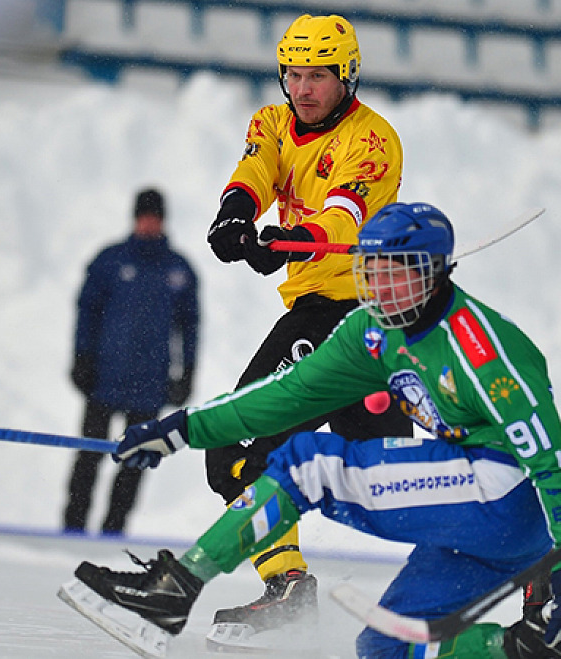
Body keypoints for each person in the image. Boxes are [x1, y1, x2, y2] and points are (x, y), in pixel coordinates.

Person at [68, 202, 561, 659]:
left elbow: (551, 464)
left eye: (392, 274)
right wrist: (182, 429)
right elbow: (286, 394)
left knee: (310, 466)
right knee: (383, 645)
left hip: (513, 497)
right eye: (370, 272)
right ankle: (518, 649)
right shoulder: (374, 330)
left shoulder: (483, 351)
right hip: (480, 523)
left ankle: (174, 591)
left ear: (432, 275)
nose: (376, 288)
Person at [203, 13, 412, 635]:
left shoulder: (374, 140)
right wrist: (233, 219)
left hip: (356, 314)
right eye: (292, 73)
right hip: (320, 313)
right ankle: (289, 587)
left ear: (347, 76)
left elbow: (344, 218)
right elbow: (257, 171)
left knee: (237, 439)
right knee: (387, 478)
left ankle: (290, 590)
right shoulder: (271, 121)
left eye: (318, 74)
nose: (302, 88)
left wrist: (291, 241)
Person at [62, 187, 199, 535]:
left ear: (163, 220)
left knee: (135, 461)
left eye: (155, 217)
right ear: (135, 218)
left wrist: (187, 372)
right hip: (105, 378)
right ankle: (72, 527)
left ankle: (113, 530)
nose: (149, 223)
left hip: (149, 385)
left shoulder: (179, 270)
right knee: (88, 453)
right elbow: (86, 312)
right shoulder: (110, 260)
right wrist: (81, 357)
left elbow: (190, 325)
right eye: (144, 216)